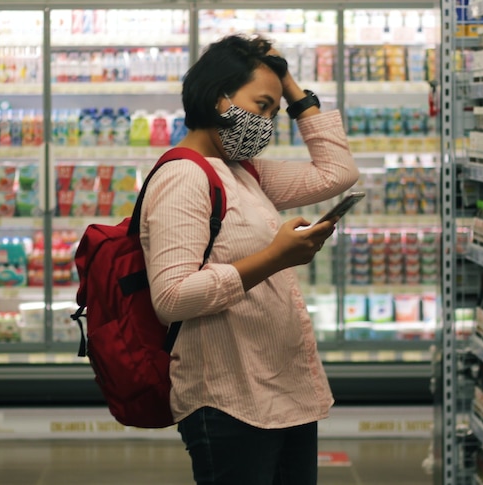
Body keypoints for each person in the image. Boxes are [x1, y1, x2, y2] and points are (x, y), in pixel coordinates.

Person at [139, 34, 359, 485]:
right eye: (261, 106)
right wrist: (275, 258)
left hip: (281, 390)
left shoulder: (245, 172)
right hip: (229, 399)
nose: (267, 122)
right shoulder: (184, 175)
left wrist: (289, 85)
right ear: (220, 98)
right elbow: (172, 297)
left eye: (275, 113)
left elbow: (338, 172)